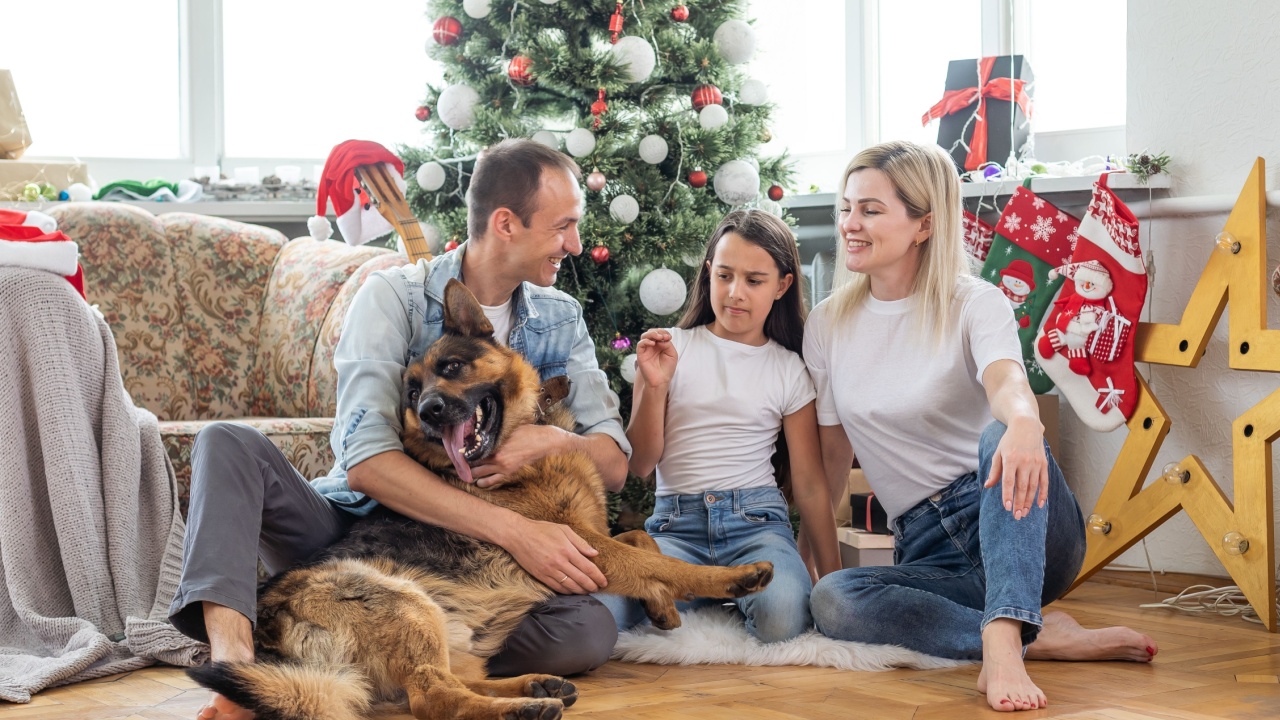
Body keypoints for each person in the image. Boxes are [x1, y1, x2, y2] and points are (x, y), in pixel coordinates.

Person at [171, 139, 632, 720]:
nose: (576, 243)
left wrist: (562, 440)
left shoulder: (561, 318)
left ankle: (402, 662)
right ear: (506, 223)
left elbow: (614, 467)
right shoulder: (392, 297)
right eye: (564, 225)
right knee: (226, 442)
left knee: (588, 632)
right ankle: (237, 668)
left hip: (463, 570)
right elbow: (365, 461)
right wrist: (517, 531)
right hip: (350, 530)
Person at [804, 141, 1156, 712]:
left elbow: (1007, 384)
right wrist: (812, 567)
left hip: (1017, 512)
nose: (850, 224)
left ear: (924, 224)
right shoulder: (827, 324)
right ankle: (1029, 636)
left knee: (1003, 434)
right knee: (836, 601)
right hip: (927, 547)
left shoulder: (976, 301)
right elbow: (827, 464)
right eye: (846, 208)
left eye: (870, 210)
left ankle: (1001, 639)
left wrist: (1023, 421)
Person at [598, 209, 841, 643]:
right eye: (725, 275)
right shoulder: (672, 348)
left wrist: (832, 580)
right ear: (708, 272)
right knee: (605, 611)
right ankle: (705, 589)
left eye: (754, 280)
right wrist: (654, 387)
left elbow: (809, 485)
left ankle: (714, 593)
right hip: (675, 529)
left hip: (757, 526)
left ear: (782, 285)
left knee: (783, 619)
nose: (735, 293)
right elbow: (641, 463)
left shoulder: (789, 369)